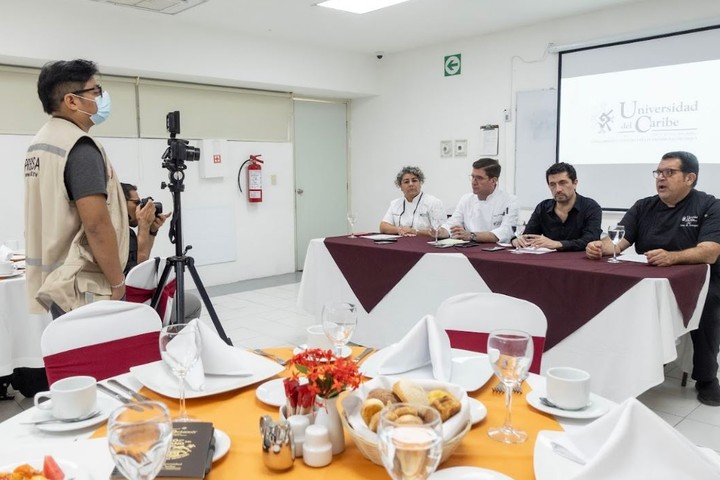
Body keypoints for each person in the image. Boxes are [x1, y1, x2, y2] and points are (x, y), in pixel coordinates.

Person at [586, 151, 720, 406]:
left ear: (690, 178)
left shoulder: (710, 205)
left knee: (709, 304)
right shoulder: (643, 206)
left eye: (669, 172)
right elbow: (619, 242)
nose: (661, 178)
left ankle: (707, 378)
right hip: (648, 275)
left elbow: (711, 251)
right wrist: (599, 247)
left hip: (699, 279)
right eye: (658, 172)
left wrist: (673, 257)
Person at [25, 59, 128, 320]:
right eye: (96, 91)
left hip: (57, 280)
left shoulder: (40, 143)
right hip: (83, 282)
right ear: (72, 101)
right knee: (100, 357)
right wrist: (117, 282)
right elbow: (96, 223)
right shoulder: (79, 147)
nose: (102, 98)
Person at [121, 183, 202, 322]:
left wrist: (151, 230)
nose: (140, 207)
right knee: (194, 304)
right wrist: (143, 226)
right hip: (131, 301)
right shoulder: (121, 233)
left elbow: (143, 255)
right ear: (120, 203)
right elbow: (141, 264)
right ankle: (169, 339)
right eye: (136, 203)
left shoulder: (123, 231)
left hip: (132, 296)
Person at [512, 162, 602, 251]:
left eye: (562, 183)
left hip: (580, 261)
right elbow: (528, 236)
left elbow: (591, 240)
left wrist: (557, 244)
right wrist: (517, 240)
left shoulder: (591, 207)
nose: (558, 189)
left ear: (575, 183)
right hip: (547, 261)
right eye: (552, 184)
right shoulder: (543, 207)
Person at [438, 158, 519, 243]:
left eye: (479, 178)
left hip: (497, 250)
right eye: (472, 177)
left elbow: (506, 232)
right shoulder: (466, 199)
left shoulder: (509, 201)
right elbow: (453, 223)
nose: (473, 182)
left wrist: (471, 235)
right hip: (470, 248)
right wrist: (441, 232)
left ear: (493, 180)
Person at [379, 166, 446, 237]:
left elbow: (441, 232)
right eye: (406, 182)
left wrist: (415, 231)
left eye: (414, 180)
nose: (411, 184)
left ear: (420, 184)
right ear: (400, 187)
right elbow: (383, 226)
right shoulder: (395, 203)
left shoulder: (433, 202)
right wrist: (399, 230)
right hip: (401, 244)